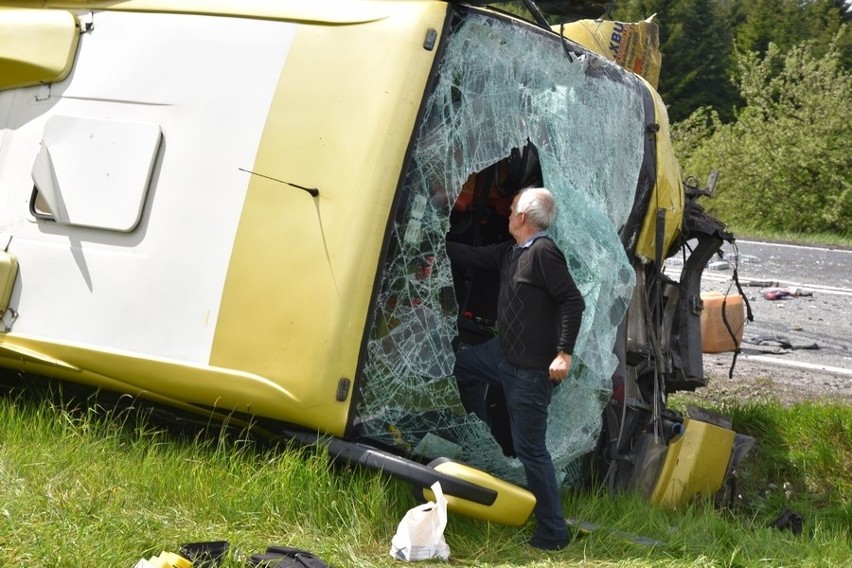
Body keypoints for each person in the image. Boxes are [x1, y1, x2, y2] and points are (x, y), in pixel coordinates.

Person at [446, 186, 585, 551]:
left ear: (522, 217)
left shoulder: (544, 253)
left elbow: (573, 300)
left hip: (530, 372)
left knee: (531, 451)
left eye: (510, 211)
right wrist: (434, 240)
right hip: (502, 355)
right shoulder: (512, 251)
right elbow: (473, 256)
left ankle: (554, 532)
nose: (507, 215)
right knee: (462, 367)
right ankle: (486, 445)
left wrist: (564, 354)